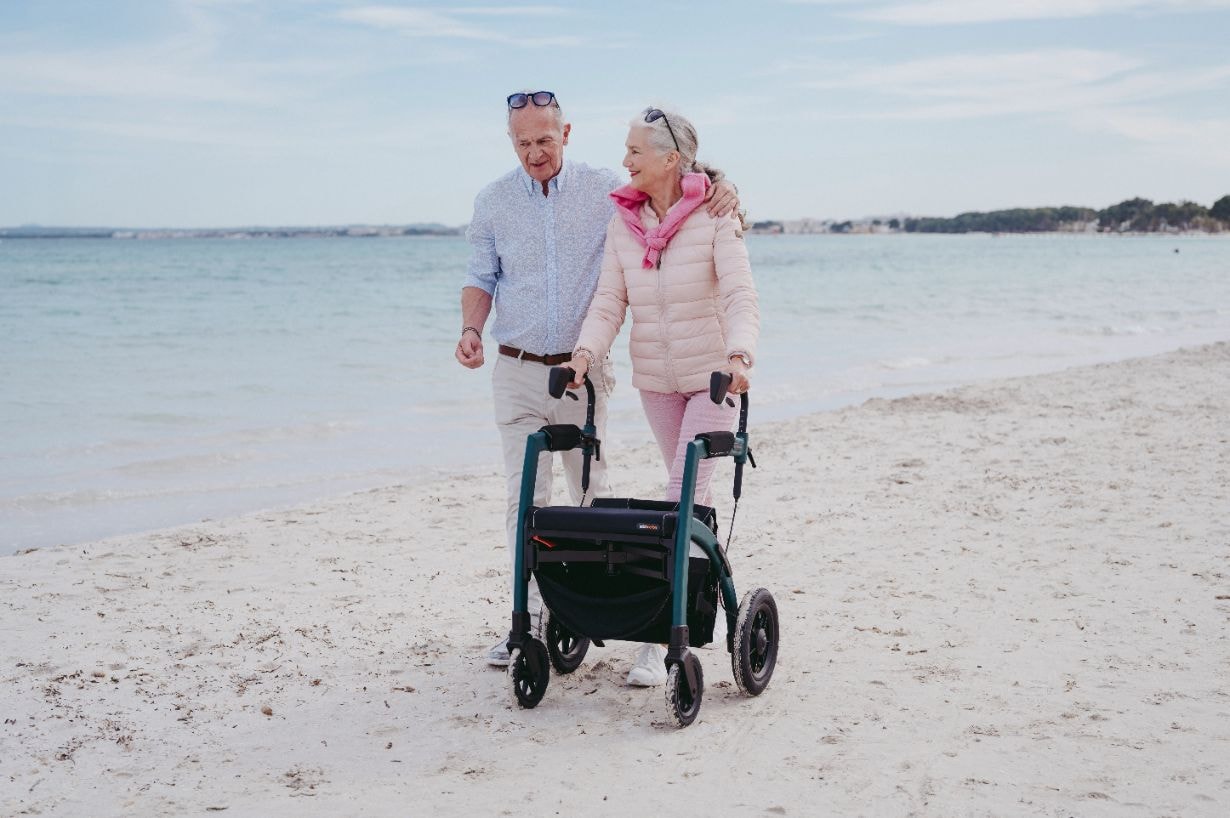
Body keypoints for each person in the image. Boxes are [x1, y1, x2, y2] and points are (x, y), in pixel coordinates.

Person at [457, 91, 739, 668]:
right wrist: (470, 330)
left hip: (584, 377)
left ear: (566, 133)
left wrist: (719, 184)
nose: (534, 152)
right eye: (522, 142)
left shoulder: (603, 190)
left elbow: (673, 174)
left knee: (593, 498)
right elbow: (482, 276)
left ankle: (603, 609)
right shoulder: (492, 201)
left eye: (544, 139)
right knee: (525, 499)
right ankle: (530, 618)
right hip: (517, 367)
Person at [563, 105, 760, 686]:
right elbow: (608, 301)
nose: (624, 161)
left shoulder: (716, 216)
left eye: (634, 151)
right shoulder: (623, 223)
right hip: (657, 382)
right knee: (685, 503)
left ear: (670, 159)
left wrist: (741, 355)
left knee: (679, 497)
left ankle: (657, 636)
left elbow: (739, 294)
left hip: (714, 380)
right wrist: (584, 354)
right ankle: (694, 596)